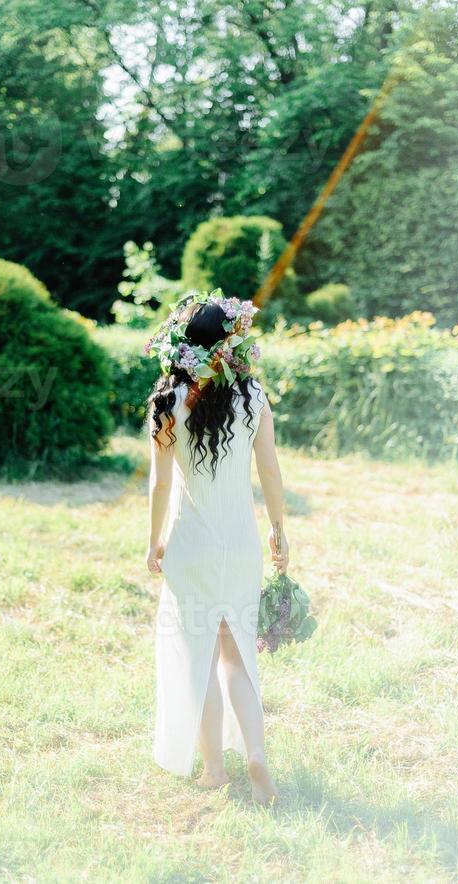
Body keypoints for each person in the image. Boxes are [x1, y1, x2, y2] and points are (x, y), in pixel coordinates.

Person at [143, 290, 289, 805]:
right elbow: (270, 470)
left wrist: (153, 542)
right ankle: (256, 754)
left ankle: (212, 770)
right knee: (236, 657)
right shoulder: (253, 397)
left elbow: (161, 486)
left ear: (182, 345)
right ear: (230, 343)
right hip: (240, 544)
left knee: (199, 657)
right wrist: (278, 528)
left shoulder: (167, 402)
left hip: (191, 544)